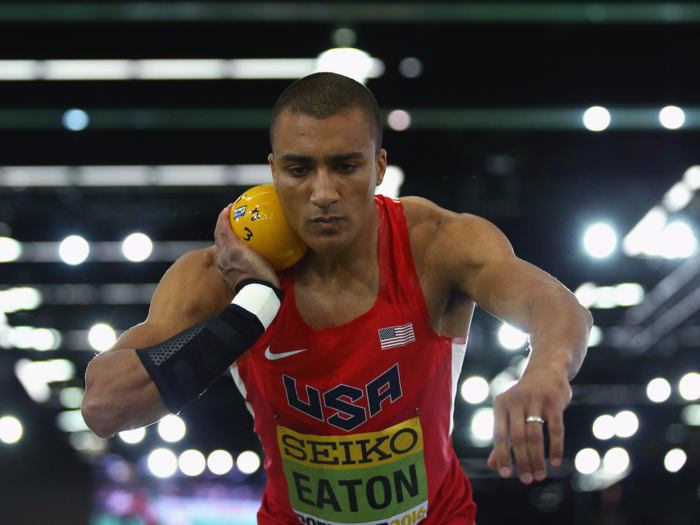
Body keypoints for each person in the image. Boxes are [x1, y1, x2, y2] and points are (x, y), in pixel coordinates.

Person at [81, 72, 592, 524]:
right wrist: (254, 304)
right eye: (300, 170)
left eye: (345, 166)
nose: (323, 193)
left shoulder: (433, 245)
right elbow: (105, 406)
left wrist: (546, 369)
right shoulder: (220, 275)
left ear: (379, 168)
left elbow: (551, 299)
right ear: (274, 170)